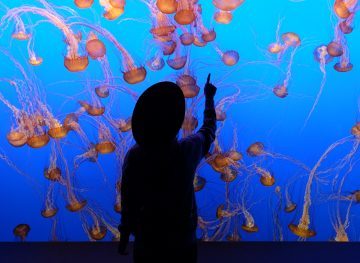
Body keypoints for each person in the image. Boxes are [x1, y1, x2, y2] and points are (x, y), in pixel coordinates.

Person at [118, 74, 217, 262]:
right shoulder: (187, 150)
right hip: (182, 241)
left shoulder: (135, 156)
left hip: (147, 242)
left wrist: (124, 234)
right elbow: (208, 130)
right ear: (177, 120)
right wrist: (209, 98)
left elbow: (128, 198)